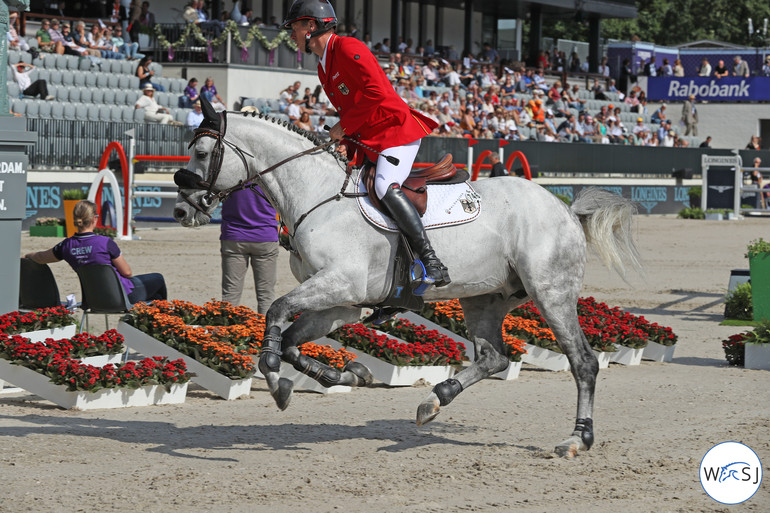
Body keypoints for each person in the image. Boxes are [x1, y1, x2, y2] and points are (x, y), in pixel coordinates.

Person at [283, 0, 449, 287]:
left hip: (396, 131)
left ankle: (432, 260)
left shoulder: (347, 47)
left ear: (311, 26)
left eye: (295, 27)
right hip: (370, 139)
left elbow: (376, 94)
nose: (292, 35)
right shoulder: (323, 67)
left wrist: (344, 127)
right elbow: (353, 108)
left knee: (384, 186)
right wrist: (348, 140)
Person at [24, 200, 167, 304]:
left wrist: (28, 255)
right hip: (122, 296)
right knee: (158, 279)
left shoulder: (66, 246)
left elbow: (41, 257)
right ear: (94, 219)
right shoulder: (105, 243)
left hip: (93, 299)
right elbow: (127, 273)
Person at [219, 188, 279, 314]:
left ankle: (227, 330)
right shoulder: (268, 178)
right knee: (266, 293)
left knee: (230, 292)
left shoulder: (231, 179)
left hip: (234, 236)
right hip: (265, 236)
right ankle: (265, 330)